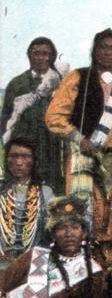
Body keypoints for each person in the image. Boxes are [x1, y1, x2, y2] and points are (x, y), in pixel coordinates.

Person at [46, 28, 112, 241]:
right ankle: (85, 260)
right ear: (94, 50)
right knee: (85, 209)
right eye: (103, 47)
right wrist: (78, 138)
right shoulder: (78, 78)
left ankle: (111, 261)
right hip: (84, 156)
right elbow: (54, 116)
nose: (108, 52)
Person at [0, 196, 107, 298]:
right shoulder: (35, 255)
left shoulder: (92, 272)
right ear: (53, 234)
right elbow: (3, 281)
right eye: (62, 228)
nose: (68, 233)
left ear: (83, 233)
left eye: (74, 227)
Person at [1, 36, 69, 192]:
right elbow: (5, 119)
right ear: (29, 56)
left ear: (52, 56)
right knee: (20, 195)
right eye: (36, 53)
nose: (41, 58)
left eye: (46, 53)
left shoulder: (61, 84)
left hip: (50, 150)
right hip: (22, 151)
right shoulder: (17, 84)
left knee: (50, 195)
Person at [0, 137, 55, 270]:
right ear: (7, 160)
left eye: (25, 157)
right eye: (14, 156)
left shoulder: (45, 193)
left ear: (34, 161)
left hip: (35, 268)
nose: (19, 162)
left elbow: (54, 233)